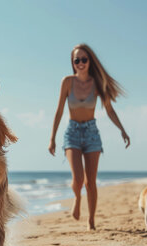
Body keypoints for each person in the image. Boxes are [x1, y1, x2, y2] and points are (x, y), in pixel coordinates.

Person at [49, 43, 130, 230]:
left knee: (90, 181)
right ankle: (77, 197)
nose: (80, 63)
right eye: (76, 60)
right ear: (72, 62)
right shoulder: (67, 82)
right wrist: (52, 138)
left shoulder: (97, 83)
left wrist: (122, 130)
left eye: (84, 59)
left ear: (89, 61)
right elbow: (59, 110)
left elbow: (109, 110)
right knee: (78, 180)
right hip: (72, 133)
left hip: (92, 133)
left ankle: (91, 220)